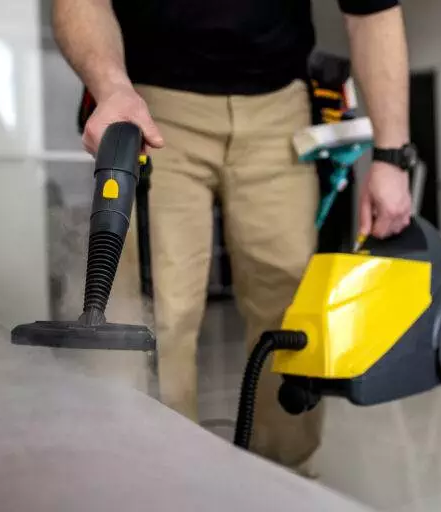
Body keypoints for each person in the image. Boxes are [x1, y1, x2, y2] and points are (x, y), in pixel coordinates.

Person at [52, 0, 413, 472]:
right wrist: (112, 88)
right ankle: (157, 479)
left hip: (279, 107)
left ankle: (283, 476)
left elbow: (372, 10)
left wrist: (391, 156)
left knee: (290, 312)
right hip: (153, 102)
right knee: (156, 313)